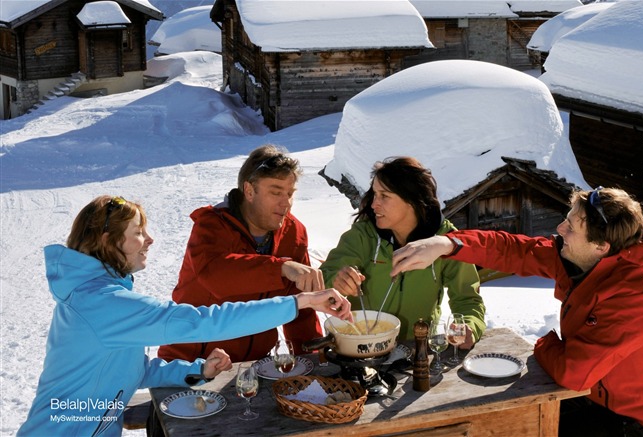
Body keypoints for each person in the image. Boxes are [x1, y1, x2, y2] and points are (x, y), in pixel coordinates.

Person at [18, 195, 351, 437]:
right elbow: (204, 321)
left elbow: (131, 370)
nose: (150, 239)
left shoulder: (98, 296)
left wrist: (197, 371)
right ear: (108, 241)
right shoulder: (104, 303)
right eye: (138, 232)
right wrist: (300, 302)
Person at [390, 186, 643, 436]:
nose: (560, 230)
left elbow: (573, 373)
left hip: (639, 421)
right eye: (566, 219)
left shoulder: (635, 296)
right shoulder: (584, 257)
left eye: (571, 227)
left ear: (601, 247)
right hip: (594, 394)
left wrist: (544, 344)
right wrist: (448, 244)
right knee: (506, 423)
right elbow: (513, 250)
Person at [158, 145, 327, 364]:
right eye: (276, 192)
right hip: (189, 363)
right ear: (249, 191)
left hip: (253, 365)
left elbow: (300, 308)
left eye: (290, 193)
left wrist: (312, 361)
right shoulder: (211, 225)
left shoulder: (294, 233)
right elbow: (216, 276)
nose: (286, 203)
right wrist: (281, 267)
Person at [321, 157, 485, 344]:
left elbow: (467, 299)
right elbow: (324, 277)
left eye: (384, 196)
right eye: (374, 194)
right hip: (362, 345)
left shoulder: (444, 242)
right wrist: (336, 280)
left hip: (417, 347)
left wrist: (469, 326)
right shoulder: (362, 236)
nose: (374, 204)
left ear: (412, 200)